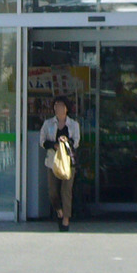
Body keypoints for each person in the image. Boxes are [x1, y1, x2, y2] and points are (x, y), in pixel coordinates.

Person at [39, 96, 80, 232]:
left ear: (66, 108)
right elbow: (42, 141)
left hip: (68, 162)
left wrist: (66, 142)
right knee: (52, 191)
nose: (58, 108)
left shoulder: (73, 125)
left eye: (61, 106)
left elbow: (76, 142)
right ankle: (58, 210)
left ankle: (66, 219)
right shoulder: (48, 124)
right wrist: (54, 145)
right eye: (56, 106)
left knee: (66, 190)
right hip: (53, 162)